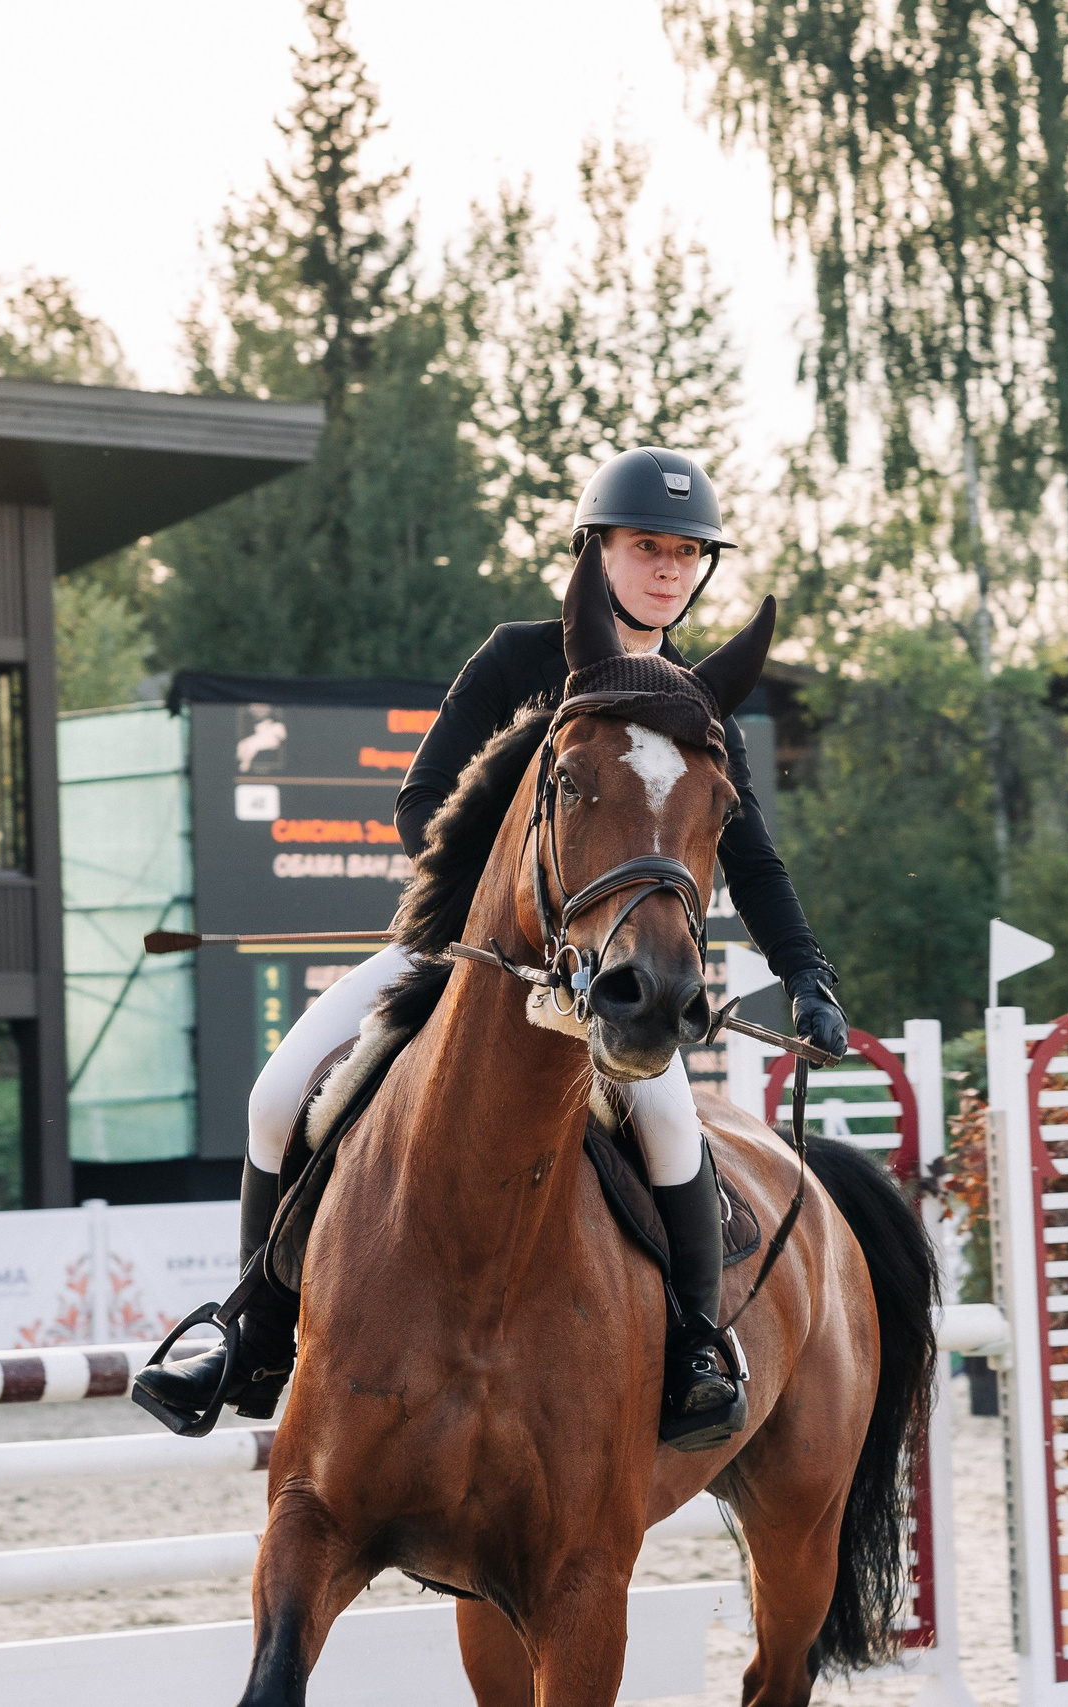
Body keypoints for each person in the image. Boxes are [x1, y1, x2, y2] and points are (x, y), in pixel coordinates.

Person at [134, 447, 849, 1449]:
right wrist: (506, 916)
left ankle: (690, 1349)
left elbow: (754, 859)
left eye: (688, 553)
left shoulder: (694, 701)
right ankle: (252, 1335)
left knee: (675, 1133)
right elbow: (421, 800)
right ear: (596, 549)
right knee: (275, 1092)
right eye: (648, 546)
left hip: (605, 985)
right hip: (467, 956)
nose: (668, 570)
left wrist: (807, 972)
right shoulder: (519, 658)